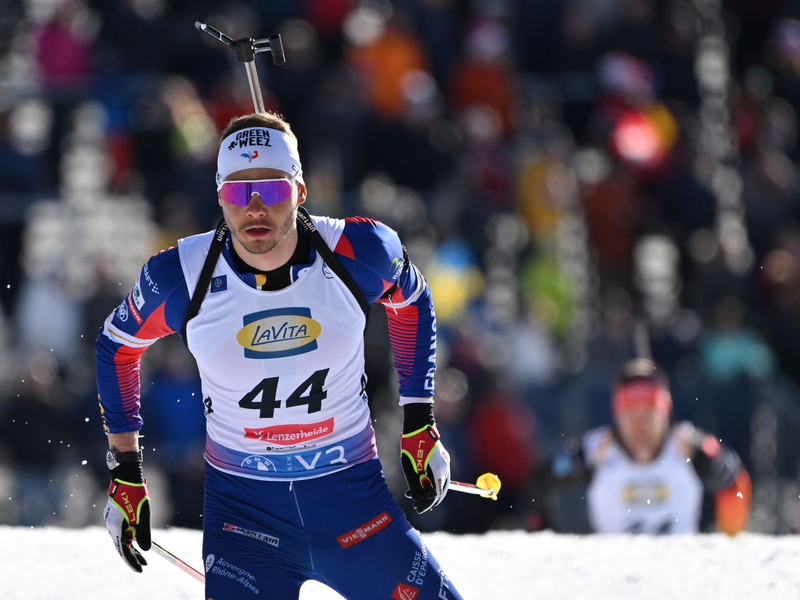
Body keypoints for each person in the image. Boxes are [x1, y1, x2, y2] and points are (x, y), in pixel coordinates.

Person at [96, 111, 462, 599]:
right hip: (245, 525)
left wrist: (419, 421)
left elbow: (412, 301)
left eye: (270, 190)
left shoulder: (359, 250)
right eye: (236, 193)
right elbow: (116, 347)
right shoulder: (181, 275)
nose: (254, 209)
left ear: (300, 190)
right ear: (219, 194)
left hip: (353, 507)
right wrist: (125, 471)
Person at [528, 359, 751, 535]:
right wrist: (543, 537)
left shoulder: (689, 444)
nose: (640, 425)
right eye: (631, 414)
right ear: (617, 414)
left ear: (665, 412)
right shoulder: (596, 450)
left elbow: (734, 477)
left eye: (648, 413)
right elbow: (540, 481)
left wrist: (727, 541)